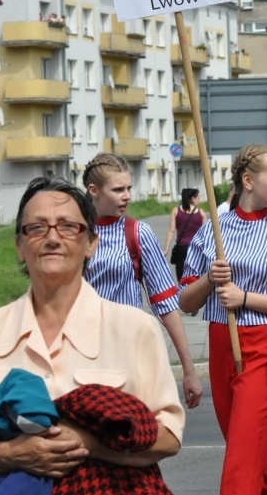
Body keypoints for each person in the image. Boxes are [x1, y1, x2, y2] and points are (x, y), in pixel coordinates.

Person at [0, 177, 183, 487]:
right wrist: (10, 453)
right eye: (37, 228)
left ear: (91, 243)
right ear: (20, 247)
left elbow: (169, 437)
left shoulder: (134, 329)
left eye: (68, 226)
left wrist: (87, 442)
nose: (52, 238)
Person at [178, 143, 267, 495]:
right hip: (221, 340)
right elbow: (185, 301)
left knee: (242, 458)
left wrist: (245, 298)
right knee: (255, 456)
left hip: (266, 346)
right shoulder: (213, 231)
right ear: (248, 180)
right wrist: (210, 278)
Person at [82, 153, 202, 408]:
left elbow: (167, 305)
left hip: (129, 355)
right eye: (118, 189)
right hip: (82, 356)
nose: (127, 195)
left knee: (130, 437)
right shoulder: (72, 233)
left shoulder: (138, 233)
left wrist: (189, 370)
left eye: (128, 188)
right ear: (93, 190)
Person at [164, 188, 206, 283]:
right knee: (196, 277)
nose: (199, 200)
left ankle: (182, 295)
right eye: (198, 198)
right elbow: (205, 235)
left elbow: (171, 230)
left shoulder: (176, 211)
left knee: (181, 278)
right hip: (196, 250)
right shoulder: (201, 213)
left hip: (181, 249)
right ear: (192, 198)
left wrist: (166, 249)